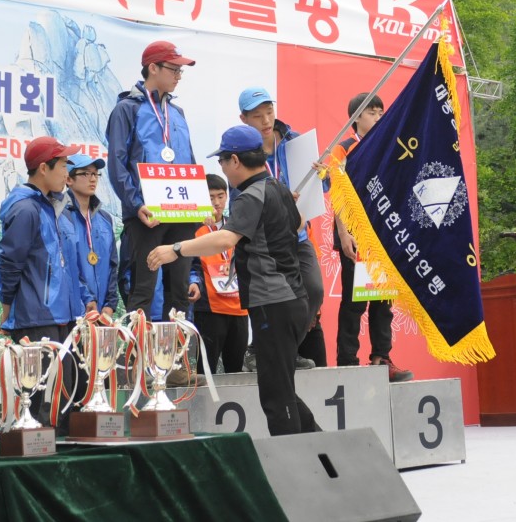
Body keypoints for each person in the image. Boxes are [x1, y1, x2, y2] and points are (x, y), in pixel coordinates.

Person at [148, 125, 318, 436]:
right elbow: (298, 224)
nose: (223, 168)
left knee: (276, 395)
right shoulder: (278, 188)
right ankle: (319, 445)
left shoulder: (250, 196)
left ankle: (297, 456)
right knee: (281, 388)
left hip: (273, 302)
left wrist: (176, 249)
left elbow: (225, 239)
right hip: (292, 299)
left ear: (235, 160)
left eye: (223, 161)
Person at [107, 40, 198, 320]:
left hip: (182, 211)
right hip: (148, 213)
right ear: (153, 68)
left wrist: (200, 204)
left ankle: (178, 348)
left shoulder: (177, 113)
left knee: (179, 289)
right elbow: (117, 164)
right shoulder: (127, 109)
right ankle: (138, 346)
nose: (178, 76)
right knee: (143, 288)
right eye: (174, 69)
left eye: (181, 71)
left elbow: (189, 160)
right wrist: (136, 204)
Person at [0, 136, 81, 425]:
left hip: (61, 317)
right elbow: (10, 263)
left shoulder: (50, 207)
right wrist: (7, 308)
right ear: (44, 168)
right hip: (37, 320)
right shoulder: (25, 209)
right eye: (63, 165)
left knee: (61, 402)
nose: (67, 173)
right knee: (41, 406)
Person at [238, 86, 322, 369]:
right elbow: (241, 198)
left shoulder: (294, 141)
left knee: (313, 289)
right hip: (266, 240)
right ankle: (259, 351)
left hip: (298, 234)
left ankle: (286, 348)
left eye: (269, 112)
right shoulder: (242, 153)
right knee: (273, 299)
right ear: (243, 119)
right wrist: (279, 198)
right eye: (257, 116)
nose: (266, 120)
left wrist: (321, 174)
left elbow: (323, 186)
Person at [331, 92, 413, 382]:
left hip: (384, 235)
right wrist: (343, 233)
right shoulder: (343, 148)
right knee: (354, 303)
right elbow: (338, 192)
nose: (378, 117)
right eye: (372, 112)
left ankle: (382, 358)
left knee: (383, 300)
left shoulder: (388, 146)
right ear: (356, 118)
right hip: (355, 234)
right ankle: (347, 362)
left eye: (381, 112)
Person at [188, 174, 248, 373]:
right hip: (210, 308)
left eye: (221, 196)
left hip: (239, 307)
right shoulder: (194, 228)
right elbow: (191, 263)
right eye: (211, 197)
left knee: (235, 371)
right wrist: (193, 282)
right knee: (205, 370)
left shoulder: (236, 226)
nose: (216, 203)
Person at [65, 154, 124, 319]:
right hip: (74, 312)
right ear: (69, 179)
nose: (93, 179)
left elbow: (112, 265)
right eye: (85, 173)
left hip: (102, 312)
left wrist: (110, 304)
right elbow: (65, 266)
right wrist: (87, 299)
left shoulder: (105, 218)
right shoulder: (61, 216)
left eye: (95, 174)